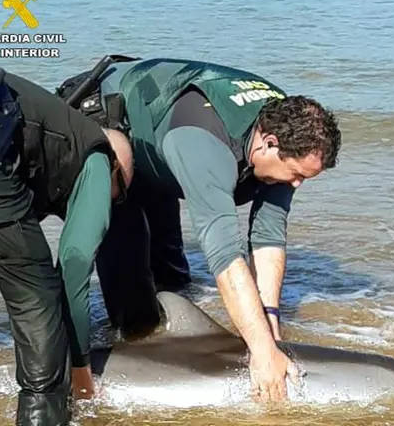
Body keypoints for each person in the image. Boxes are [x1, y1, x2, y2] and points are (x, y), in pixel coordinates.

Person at [55, 56, 342, 403]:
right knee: (134, 314)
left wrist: (270, 329)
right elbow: (225, 254)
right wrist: (262, 353)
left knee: (174, 283)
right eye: (295, 174)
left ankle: (174, 339)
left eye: (305, 178)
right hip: (113, 133)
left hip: (161, 139)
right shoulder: (203, 144)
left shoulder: (289, 131)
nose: (296, 185)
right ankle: (87, 369)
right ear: (268, 142)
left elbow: (267, 237)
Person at [0, 56, 134, 425]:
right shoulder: (98, 156)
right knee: (35, 294)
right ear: (115, 166)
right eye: (117, 196)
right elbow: (73, 264)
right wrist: (81, 369)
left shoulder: (55, 119)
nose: (110, 205)